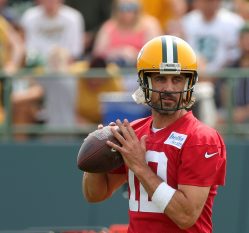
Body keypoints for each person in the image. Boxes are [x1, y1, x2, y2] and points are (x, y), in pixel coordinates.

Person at [82, 35, 227, 232]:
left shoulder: (201, 138)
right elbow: (95, 195)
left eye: (177, 79)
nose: (169, 88)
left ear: (188, 83)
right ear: (145, 81)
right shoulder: (133, 132)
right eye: (160, 78)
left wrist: (141, 168)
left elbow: (186, 216)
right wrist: (95, 157)